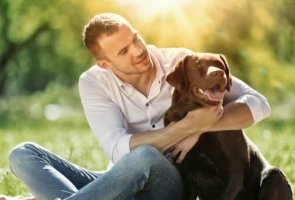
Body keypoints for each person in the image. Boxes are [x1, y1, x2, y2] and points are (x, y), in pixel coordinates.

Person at [8, 13, 271, 200]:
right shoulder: (93, 82)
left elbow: (259, 104)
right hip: (119, 180)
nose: (137, 51)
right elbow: (116, 148)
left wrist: (203, 126)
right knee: (22, 154)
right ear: (105, 64)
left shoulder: (181, 63)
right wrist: (185, 128)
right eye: (123, 52)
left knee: (145, 156)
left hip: (170, 183)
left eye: (135, 38)